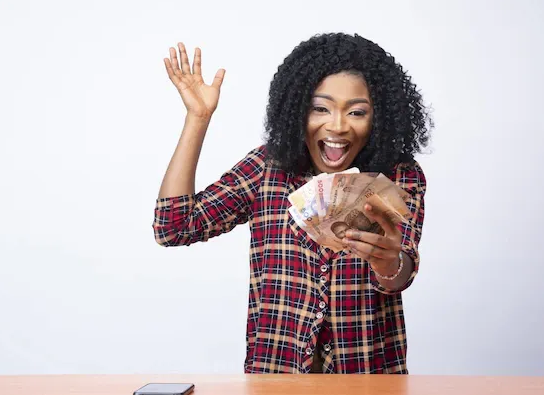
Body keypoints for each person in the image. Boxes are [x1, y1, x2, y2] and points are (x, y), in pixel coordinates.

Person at [153, 33, 431, 374]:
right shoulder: (265, 170)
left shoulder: (399, 177)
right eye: (320, 108)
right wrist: (198, 119)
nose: (338, 126)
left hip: (367, 377)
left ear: (379, 117)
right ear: (297, 108)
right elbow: (174, 227)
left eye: (357, 112)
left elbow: (399, 277)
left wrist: (389, 262)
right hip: (276, 376)